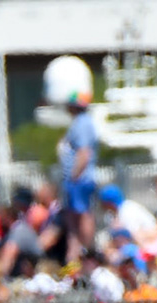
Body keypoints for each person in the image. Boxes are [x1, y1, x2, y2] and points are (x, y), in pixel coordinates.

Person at [56, 80, 98, 263]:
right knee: (73, 216)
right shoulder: (80, 123)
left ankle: (86, 250)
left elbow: (84, 153)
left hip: (79, 179)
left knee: (82, 214)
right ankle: (73, 255)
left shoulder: (82, 123)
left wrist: (74, 176)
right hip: (75, 179)